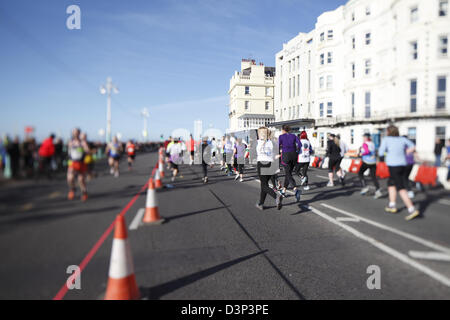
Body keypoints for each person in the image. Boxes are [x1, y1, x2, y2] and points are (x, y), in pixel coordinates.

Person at [378, 125, 419, 221]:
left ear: (388, 132)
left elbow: (381, 152)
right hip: (403, 164)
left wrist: (381, 160)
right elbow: (413, 146)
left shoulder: (386, 139)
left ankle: (411, 209)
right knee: (391, 183)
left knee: (400, 187)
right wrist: (407, 151)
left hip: (393, 165)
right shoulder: (401, 139)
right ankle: (392, 205)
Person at [255, 127, 282, 210]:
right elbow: (275, 155)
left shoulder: (258, 142)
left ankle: (276, 196)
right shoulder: (272, 143)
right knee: (265, 185)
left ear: (260, 134)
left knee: (264, 186)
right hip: (270, 164)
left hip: (261, 163)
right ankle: (260, 203)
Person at [278, 125, 301, 202]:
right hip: (294, 155)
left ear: (283, 130)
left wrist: (278, 153)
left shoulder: (281, 137)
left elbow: (277, 146)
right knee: (288, 173)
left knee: (288, 173)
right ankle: (284, 190)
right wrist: (297, 151)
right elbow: (299, 144)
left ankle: (295, 189)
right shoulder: (294, 136)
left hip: (286, 155)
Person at [67, 128, 90, 201]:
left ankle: (84, 193)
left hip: (81, 163)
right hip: (73, 162)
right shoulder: (71, 142)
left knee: (81, 180)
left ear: (79, 133)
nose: (75, 134)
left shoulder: (82, 142)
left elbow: (87, 151)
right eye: (74, 132)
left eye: (77, 132)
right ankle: (72, 189)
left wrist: (84, 149)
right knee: (70, 178)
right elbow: (69, 151)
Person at [358, 133, 382, 199]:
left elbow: (367, 151)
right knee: (373, 177)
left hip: (366, 161)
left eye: (363, 137)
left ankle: (365, 187)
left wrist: (361, 153)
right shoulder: (372, 143)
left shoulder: (365, 143)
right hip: (373, 162)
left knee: (360, 173)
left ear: (366, 138)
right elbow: (374, 152)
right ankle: (378, 191)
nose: (363, 138)